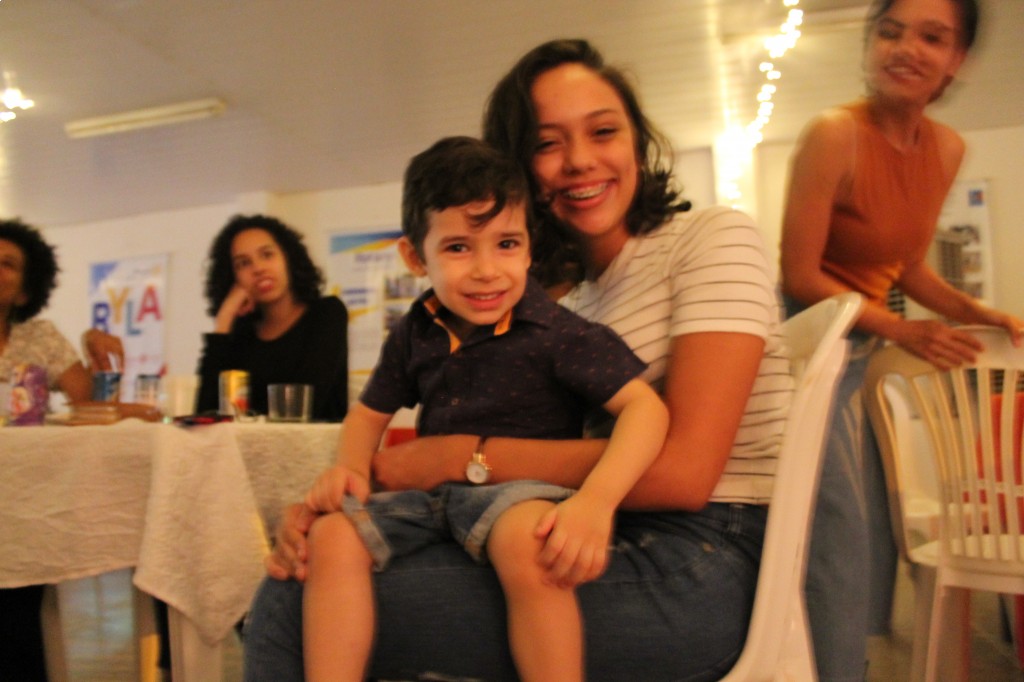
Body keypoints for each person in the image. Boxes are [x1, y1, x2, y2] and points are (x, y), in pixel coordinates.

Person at [244, 38, 792, 682]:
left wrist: (460, 458)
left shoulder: (707, 239)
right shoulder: (564, 298)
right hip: (591, 527)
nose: (580, 159)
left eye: (604, 131)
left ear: (637, 140)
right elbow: (386, 425)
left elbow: (685, 474)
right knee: (319, 560)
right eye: (546, 143)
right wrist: (342, 494)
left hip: (701, 552)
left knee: (288, 605)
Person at [302, 136, 668, 681]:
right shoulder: (414, 331)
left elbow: (645, 409)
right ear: (415, 257)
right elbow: (366, 416)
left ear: (529, 248)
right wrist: (350, 470)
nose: (486, 269)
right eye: (458, 248)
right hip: (430, 497)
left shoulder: (558, 332)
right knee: (332, 535)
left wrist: (596, 501)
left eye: (506, 244)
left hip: (520, 495)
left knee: (531, 542)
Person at [779, 1, 1023, 680]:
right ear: (870, 44)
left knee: (880, 519)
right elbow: (799, 275)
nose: (906, 48)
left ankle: (862, 655)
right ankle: (831, 668)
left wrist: (980, 312)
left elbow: (908, 264)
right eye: (890, 31)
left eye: (932, 37)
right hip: (812, 344)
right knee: (837, 522)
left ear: (956, 60)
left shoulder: (947, 149)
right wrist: (900, 327)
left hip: (868, 341)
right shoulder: (834, 134)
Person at [0, 218, 97, 681]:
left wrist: (92, 347)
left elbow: (88, 403)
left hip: (25, 505)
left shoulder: (38, 337)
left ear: (24, 290)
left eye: (8, 263)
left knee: (18, 623)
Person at [195, 213, 349, 421]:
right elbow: (205, 415)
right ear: (233, 277)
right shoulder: (241, 335)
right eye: (244, 263)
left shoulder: (327, 313)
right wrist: (224, 318)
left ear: (288, 258)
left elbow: (305, 406)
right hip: (245, 443)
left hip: (314, 441)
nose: (258, 268)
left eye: (267, 255)